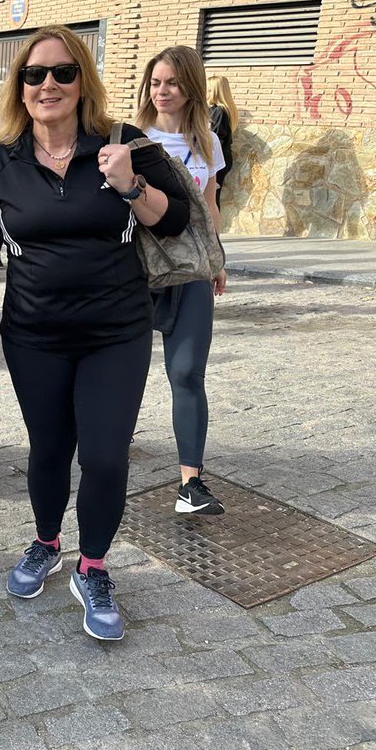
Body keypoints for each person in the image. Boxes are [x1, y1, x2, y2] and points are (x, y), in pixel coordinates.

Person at [0, 26, 190, 642]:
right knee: (48, 450)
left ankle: (93, 565)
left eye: (63, 72)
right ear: (19, 87)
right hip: (33, 335)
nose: (49, 85)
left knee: (105, 455)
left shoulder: (123, 145)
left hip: (116, 332)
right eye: (34, 75)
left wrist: (131, 186)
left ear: (82, 79)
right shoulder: (0, 162)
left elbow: (177, 222)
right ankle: (45, 541)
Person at [136, 46, 228, 516]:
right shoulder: (132, 140)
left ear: (190, 86)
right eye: (155, 83)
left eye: (171, 82)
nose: (162, 91)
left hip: (190, 270)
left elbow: (210, 204)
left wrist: (217, 258)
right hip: (135, 274)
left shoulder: (207, 141)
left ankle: (190, 482)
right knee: (118, 376)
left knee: (187, 372)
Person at [207, 75, 238, 209]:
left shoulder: (219, 111)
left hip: (216, 159)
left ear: (215, 91)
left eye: (208, 89)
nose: (205, 92)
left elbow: (216, 138)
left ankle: (213, 229)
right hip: (217, 158)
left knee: (211, 198)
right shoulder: (216, 110)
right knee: (211, 196)